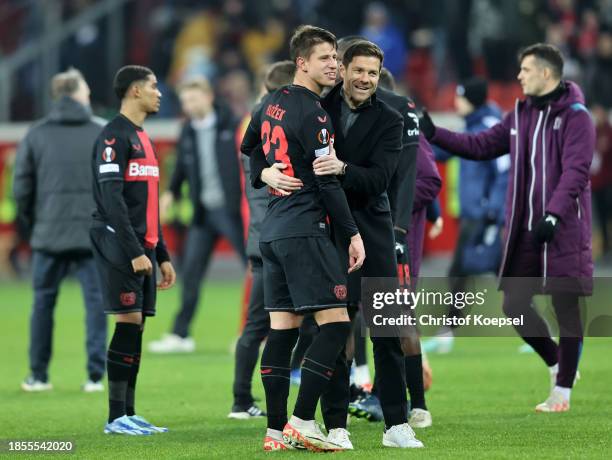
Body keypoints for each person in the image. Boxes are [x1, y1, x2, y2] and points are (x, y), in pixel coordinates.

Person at [420, 43, 595, 412]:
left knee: (566, 306)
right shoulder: (519, 115)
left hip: (562, 227)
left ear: (546, 73)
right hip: (525, 229)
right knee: (514, 303)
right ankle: (556, 363)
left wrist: (554, 213)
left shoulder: (577, 116)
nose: (519, 76)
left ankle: (562, 391)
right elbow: (480, 145)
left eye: (526, 69)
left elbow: (576, 172)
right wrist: (434, 133)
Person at [243, 25, 365, 452]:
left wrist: (263, 173)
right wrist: (351, 233)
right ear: (302, 62)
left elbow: (249, 147)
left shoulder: (270, 102)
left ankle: (275, 433)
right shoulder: (315, 114)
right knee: (336, 325)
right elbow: (328, 181)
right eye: (327, 58)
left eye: (336, 57)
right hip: (305, 227)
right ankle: (300, 420)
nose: (335, 64)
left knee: (282, 332)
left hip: (273, 232)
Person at [310, 40, 424, 448]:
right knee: (336, 332)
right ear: (342, 69)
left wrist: (341, 168)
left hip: (373, 235)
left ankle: (396, 424)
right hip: (329, 234)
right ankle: (337, 425)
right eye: (358, 70)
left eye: (372, 73)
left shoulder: (391, 119)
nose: (365, 79)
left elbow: (380, 180)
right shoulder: (318, 109)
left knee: (387, 333)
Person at [90, 65, 176, 435]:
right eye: (154, 87)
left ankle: (128, 413)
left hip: (142, 246)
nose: (160, 93)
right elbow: (112, 201)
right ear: (135, 91)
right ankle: (114, 417)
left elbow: (148, 204)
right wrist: (134, 251)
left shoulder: (143, 137)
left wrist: (162, 254)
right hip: (117, 242)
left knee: (136, 326)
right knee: (128, 321)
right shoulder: (113, 138)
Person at [13, 68, 107, 393]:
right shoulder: (102, 131)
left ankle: (38, 375)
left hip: (48, 233)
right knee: (96, 303)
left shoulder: (36, 134)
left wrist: (33, 223)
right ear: (79, 95)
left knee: (42, 303)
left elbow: (21, 187)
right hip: (92, 233)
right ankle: (95, 377)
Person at [148, 76, 246, 353]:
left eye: (192, 99)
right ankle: (180, 335)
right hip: (203, 212)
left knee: (256, 270)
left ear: (208, 97)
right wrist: (170, 193)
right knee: (190, 273)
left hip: (232, 211)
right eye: (185, 101)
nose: (188, 106)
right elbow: (181, 166)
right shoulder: (188, 129)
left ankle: (256, 332)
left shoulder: (233, 124)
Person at [228, 60, 295, 420]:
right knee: (316, 320)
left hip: (259, 238)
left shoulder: (252, 125)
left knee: (256, 327)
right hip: (281, 237)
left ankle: (241, 400)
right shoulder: (278, 124)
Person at [423, 77, 509, 354]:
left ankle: (447, 331)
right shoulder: (473, 127)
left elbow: (503, 171)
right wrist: (416, 140)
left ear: (471, 99)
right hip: (475, 214)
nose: (455, 102)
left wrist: (493, 209)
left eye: (460, 96)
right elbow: (446, 151)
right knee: (502, 275)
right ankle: (542, 329)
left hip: (483, 215)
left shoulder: (489, 128)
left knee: (459, 272)